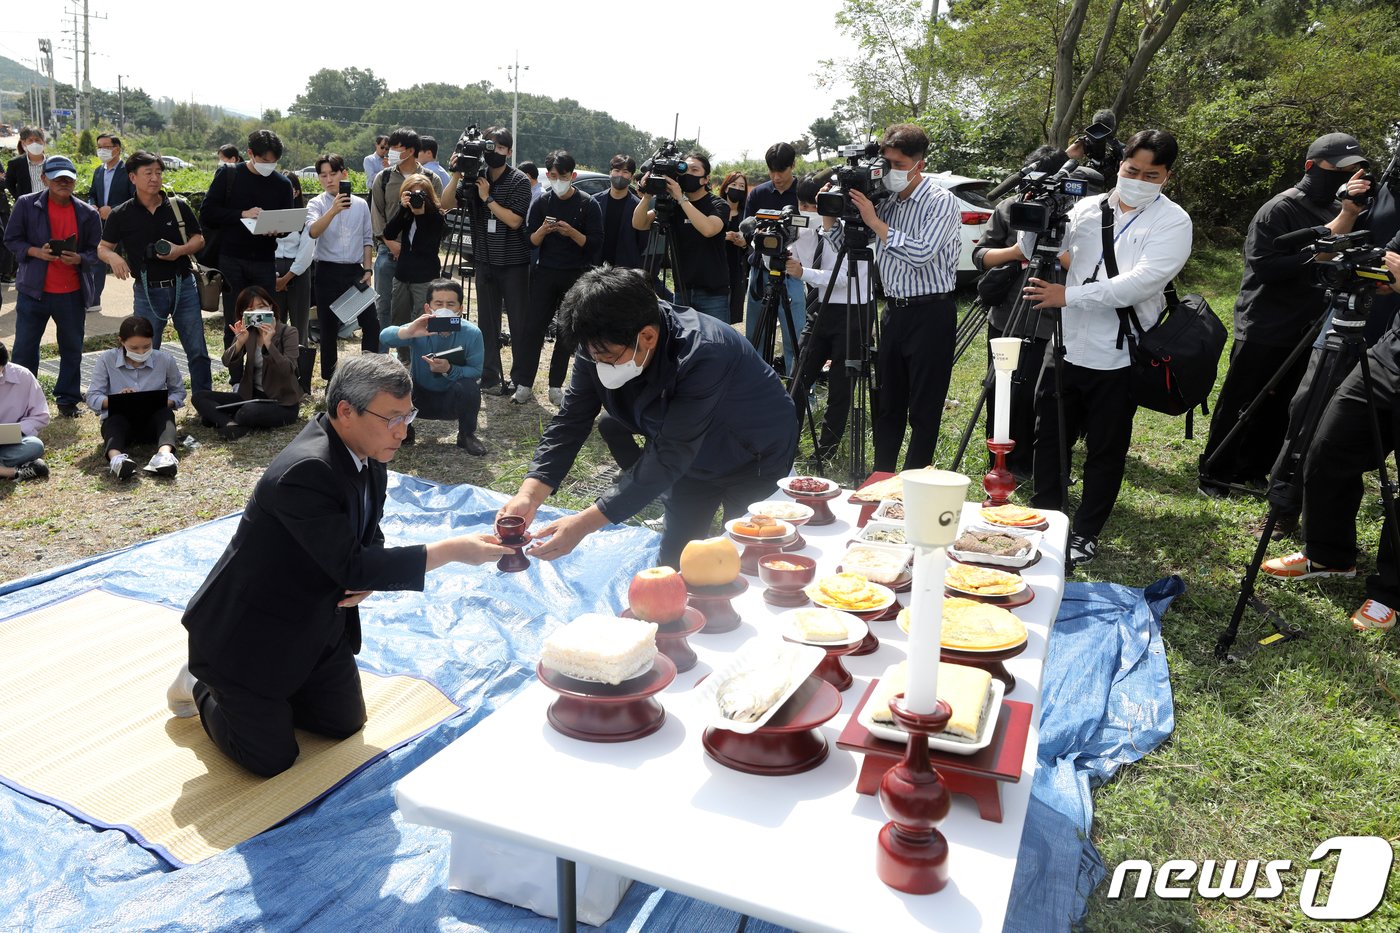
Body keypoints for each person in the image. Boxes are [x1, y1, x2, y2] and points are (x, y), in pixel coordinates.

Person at [171, 354, 512, 777]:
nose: (403, 432)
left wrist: (370, 572)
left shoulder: (368, 451)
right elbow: (353, 564)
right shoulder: (307, 470)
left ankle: (273, 697)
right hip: (248, 635)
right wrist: (452, 550)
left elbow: (370, 534)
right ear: (346, 411)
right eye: (392, 418)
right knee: (270, 759)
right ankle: (203, 683)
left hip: (315, 620)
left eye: (409, 415)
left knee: (345, 724)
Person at [501, 265, 798, 569]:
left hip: (754, 454)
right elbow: (570, 422)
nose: (598, 363)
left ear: (648, 336)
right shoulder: (598, 344)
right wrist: (530, 494)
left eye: (607, 357)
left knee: (746, 558)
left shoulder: (704, 352)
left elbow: (671, 452)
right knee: (676, 557)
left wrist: (584, 523)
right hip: (689, 462)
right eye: (591, 355)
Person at [1021, 128, 1192, 568]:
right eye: (1131, 169)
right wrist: (1036, 217)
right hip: (1065, 345)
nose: (1137, 179)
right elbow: (1044, 253)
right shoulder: (1086, 207)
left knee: (1105, 449)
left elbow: (1141, 283)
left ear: (1166, 176)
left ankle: (1085, 533)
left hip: (1119, 354)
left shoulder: (1172, 221)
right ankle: (1045, 518)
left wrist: (1068, 297)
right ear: (1119, 165)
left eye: (1150, 174)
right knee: (1048, 437)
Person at [1198, 132, 1372, 497]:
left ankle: (1253, 469)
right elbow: (1267, 269)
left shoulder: (1342, 210)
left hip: (1311, 324)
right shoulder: (1280, 208)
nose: (1348, 177)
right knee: (1243, 400)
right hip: (1266, 322)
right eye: (1338, 169)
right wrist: (1337, 230)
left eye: (1355, 170)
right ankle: (1214, 473)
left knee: (1283, 404)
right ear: (1311, 167)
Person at [1259, 239, 1400, 630]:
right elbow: (1387, 260)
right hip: (1389, 356)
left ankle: (1390, 592)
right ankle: (1329, 555)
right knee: (1326, 448)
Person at [827, 123, 962, 472]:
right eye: (887, 164)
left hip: (932, 312)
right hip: (894, 312)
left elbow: (921, 253)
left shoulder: (940, 201)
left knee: (924, 406)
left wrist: (874, 221)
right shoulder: (884, 200)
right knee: (888, 402)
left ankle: (916, 481)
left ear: (920, 163)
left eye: (899, 166)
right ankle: (882, 475)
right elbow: (852, 244)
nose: (892, 173)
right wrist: (837, 213)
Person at [972, 144, 1085, 479]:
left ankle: (1034, 464)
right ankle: (999, 460)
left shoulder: (1077, 215)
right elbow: (980, 256)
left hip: (1052, 320)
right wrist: (1018, 251)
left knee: (1040, 394)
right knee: (1001, 389)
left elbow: (1085, 269)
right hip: (1008, 316)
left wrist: (1056, 247)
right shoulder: (1010, 208)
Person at [96, 150, 214, 396]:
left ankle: (205, 400)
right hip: (147, 290)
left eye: (158, 173)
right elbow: (103, 248)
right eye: (148, 173)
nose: (154, 178)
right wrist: (114, 256)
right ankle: (148, 400)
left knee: (197, 349)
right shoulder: (121, 214)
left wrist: (179, 251)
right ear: (132, 178)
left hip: (184, 287)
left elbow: (199, 239)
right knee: (144, 349)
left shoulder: (177, 206)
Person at [4, 154, 103, 418]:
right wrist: (35, 252)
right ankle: (22, 402)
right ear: (44, 178)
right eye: (57, 178)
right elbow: (11, 239)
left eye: (68, 179)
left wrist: (80, 258)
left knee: (72, 348)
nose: (63, 183)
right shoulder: (26, 204)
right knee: (25, 349)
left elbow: (96, 251)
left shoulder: (87, 213)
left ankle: (68, 399)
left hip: (71, 293)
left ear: (74, 181)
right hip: (33, 291)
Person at [786, 173, 874, 462]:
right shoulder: (797, 229)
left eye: (817, 204)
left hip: (852, 309)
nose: (809, 210)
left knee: (840, 384)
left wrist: (804, 273)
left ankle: (826, 451)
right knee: (798, 377)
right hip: (818, 310)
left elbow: (848, 278)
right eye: (804, 204)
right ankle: (786, 442)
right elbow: (784, 260)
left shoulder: (855, 228)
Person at [440, 126, 531, 395]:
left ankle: (520, 378)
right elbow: (446, 204)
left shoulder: (519, 181)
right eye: (490, 146)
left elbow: (515, 220)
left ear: (509, 152)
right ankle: (489, 376)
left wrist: (487, 198)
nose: (495, 152)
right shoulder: (474, 177)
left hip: (514, 263)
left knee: (518, 323)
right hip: (484, 260)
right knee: (486, 323)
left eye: (500, 148)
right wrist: (457, 172)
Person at [519, 151, 603, 406]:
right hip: (544, 272)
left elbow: (595, 245)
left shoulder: (588, 204)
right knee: (533, 327)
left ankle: (556, 385)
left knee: (566, 332)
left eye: (563, 176)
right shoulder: (542, 202)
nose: (558, 181)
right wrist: (543, 230)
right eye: (553, 176)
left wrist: (572, 232)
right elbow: (529, 241)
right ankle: (524, 383)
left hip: (575, 274)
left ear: (572, 176)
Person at [200, 129, 295, 348]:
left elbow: (287, 223)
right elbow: (207, 213)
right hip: (231, 258)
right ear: (250, 153)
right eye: (264, 160)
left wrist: (277, 230)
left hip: (264, 259)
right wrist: (242, 214)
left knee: (264, 319)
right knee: (236, 320)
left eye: (274, 161)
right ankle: (235, 375)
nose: (269, 165)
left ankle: (262, 368)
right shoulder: (229, 175)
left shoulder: (282, 184)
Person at [378, 278, 487, 455]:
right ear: (428, 308)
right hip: (418, 397)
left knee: (471, 387)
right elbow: (384, 337)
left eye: (451, 304)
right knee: (396, 380)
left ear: (460, 309)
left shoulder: (472, 333)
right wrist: (409, 332)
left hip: (451, 398)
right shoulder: (421, 326)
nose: (445, 308)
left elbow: (476, 371)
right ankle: (405, 430)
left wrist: (450, 370)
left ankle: (466, 435)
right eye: (439, 303)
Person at [192, 286, 304, 439]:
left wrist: (269, 344)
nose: (257, 312)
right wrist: (239, 343)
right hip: (251, 396)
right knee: (199, 397)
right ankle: (232, 425)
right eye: (251, 309)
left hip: (281, 402)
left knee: (246, 412)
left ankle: (224, 419)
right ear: (244, 314)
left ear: (270, 306)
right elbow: (227, 362)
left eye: (261, 307)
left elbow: (287, 370)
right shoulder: (249, 332)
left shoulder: (288, 332)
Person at [631, 151, 730, 322]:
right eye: (685, 170)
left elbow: (708, 229)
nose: (689, 174)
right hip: (682, 289)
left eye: (695, 170)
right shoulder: (673, 205)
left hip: (713, 293)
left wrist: (681, 198)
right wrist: (648, 195)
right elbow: (639, 223)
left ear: (706, 179)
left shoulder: (717, 204)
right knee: (684, 346)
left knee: (716, 346)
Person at [86, 315, 185, 480]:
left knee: (166, 415)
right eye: (134, 348)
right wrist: (116, 400)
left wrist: (164, 402)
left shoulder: (165, 360)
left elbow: (179, 392)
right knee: (113, 420)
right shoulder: (106, 360)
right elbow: (92, 396)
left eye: (146, 347)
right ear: (121, 341)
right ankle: (117, 459)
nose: (141, 352)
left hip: (153, 424)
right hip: (122, 423)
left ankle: (164, 456)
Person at [369, 127, 443, 338]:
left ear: (410, 151)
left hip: (419, 256)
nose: (389, 151)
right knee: (384, 307)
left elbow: (437, 218)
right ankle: (384, 356)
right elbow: (377, 215)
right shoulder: (382, 178)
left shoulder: (431, 179)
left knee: (421, 311)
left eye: (394, 147)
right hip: (387, 251)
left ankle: (416, 360)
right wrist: (390, 242)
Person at [306, 153, 375, 378]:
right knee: (328, 327)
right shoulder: (316, 203)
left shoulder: (361, 204)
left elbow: (367, 238)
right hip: (326, 269)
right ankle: (330, 377)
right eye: (323, 175)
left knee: (371, 323)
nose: (328, 180)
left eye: (333, 174)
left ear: (344, 173)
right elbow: (313, 231)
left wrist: (368, 269)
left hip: (355, 270)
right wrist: (333, 210)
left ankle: (369, 372)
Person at [743, 142, 806, 367]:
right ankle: (756, 387)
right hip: (760, 270)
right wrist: (754, 234)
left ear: (793, 165)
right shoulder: (759, 193)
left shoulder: (803, 193)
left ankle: (798, 391)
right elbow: (747, 225)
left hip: (792, 271)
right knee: (754, 336)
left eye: (781, 170)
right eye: (771, 170)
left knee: (795, 338)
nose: (776, 176)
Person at [383, 173, 445, 362]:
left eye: (421, 194)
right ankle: (404, 358)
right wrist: (403, 209)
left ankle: (421, 359)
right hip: (403, 275)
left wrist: (422, 216)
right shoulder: (406, 213)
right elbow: (389, 233)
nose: (417, 198)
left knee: (422, 319)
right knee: (399, 317)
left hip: (425, 276)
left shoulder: (436, 216)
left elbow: (428, 245)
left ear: (429, 195)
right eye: (412, 193)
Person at [87, 132, 134, 314]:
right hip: (103, 224)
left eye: (106, 147)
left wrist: (113, 209)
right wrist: (93, 206)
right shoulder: (99, 171)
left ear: (117, 149)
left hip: (126, 224)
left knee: (135, 261)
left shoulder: (128, 171)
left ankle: (143, 299)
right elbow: (92, 193)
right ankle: (93, 300)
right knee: (98, 259)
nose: (102, 151)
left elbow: (134, 197)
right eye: (99, 147)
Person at [274, 171, 316, 343]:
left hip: (298, 273)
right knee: (272, 324)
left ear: (296, 191)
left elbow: (306, 252)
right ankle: (271, 366)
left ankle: (299, 367)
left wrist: (286, 278)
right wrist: (275, 277)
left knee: (300, 324)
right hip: (272, 270)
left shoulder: (305, 217)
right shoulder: (268, 215)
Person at [0, 340, 50, 482]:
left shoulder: (23, 376)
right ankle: (12, 472)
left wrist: (17, 430)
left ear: (4, 365)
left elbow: (41, 416)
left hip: (11, 443)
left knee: (34, 445)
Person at [718, 171, 748, 325]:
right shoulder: (716, 208)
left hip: (737, 268)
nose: (737, 188)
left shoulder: (746, 213)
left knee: (731, 314)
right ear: (726, 187)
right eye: (734, 184)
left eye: (741, 186)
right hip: (717, 266)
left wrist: (744, 243)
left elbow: (752, 242)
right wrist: (722, 237)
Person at [4, 126, 47, 200]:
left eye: (37, 140)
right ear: (24, 143)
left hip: (50, 205)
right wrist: (20, 199)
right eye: (30, 140)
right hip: (28, 207)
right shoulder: (15, 164)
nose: (35, 143)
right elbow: (9, 184)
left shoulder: (53, 162)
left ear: (43, 142)